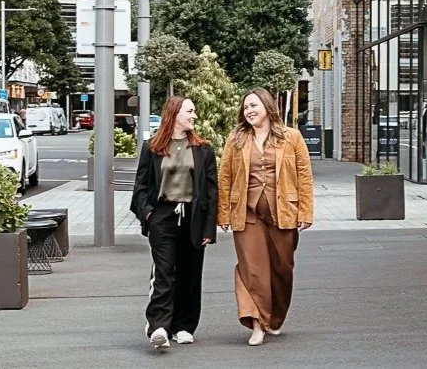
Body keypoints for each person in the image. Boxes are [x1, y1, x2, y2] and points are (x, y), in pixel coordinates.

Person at [218, 87, 314, 346]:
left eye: (254, 105)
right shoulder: (236, 139)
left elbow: (304, 176)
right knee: (253, 271)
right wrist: (222, 213)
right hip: (247, 214)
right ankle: (257, 323)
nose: (249, 111)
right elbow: (225, 176)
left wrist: (305, 211)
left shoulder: (291, 137)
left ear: (267, 106)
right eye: (246, 107)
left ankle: (275, 316)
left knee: (283, 270)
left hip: (283, 212)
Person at [131, 96, 218, 350]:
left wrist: (208, 227)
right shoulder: (152, 147)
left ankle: (184, 326)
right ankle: (159, 325)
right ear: (175, 113)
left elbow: (212, 192)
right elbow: (141, 187)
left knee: (190, 273)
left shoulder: (204, 149)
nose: (194, 116)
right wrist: (148, 214)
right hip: (163, 218)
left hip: (193, 217)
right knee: (164, 272)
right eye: (190, 111)